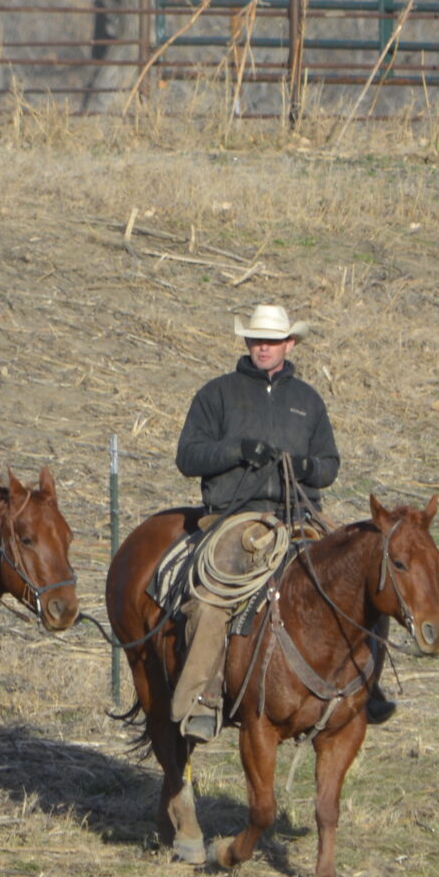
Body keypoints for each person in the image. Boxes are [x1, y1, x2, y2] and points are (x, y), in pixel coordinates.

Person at [169, 301, 346, 743]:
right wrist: (236, 450)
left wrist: (304, 465)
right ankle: (202, 698)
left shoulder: (308, 400)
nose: (263, 347)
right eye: (256, 340)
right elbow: (188, 457)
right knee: (214, 596)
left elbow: (329, 465)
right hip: (235, 517)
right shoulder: (217, 394)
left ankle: (362, 691)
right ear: (246, 342)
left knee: (357, 576)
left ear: (289, 343)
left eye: (271, 340)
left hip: (300, 515)